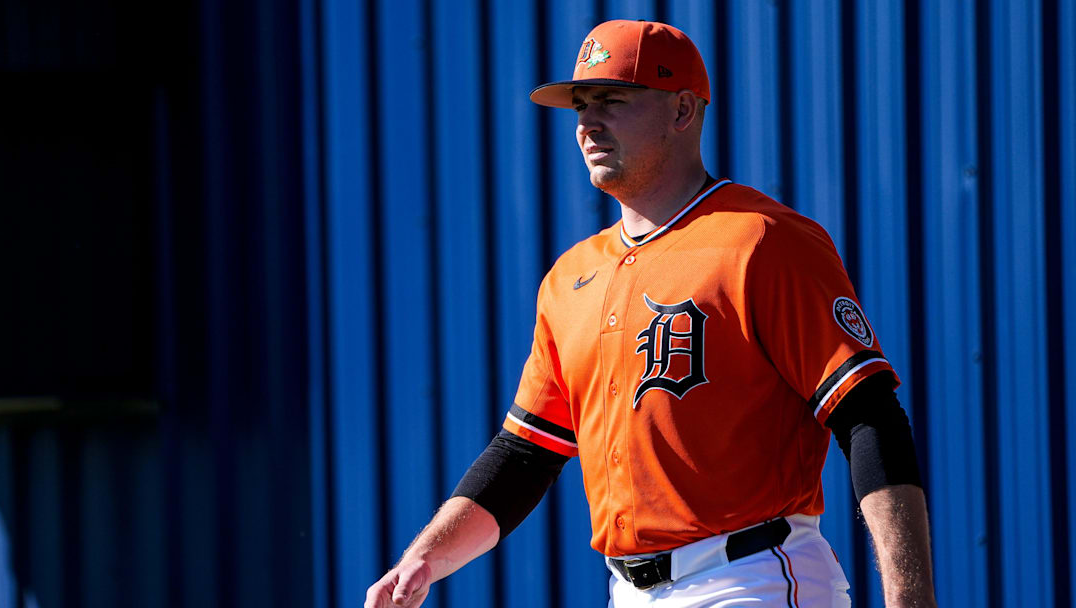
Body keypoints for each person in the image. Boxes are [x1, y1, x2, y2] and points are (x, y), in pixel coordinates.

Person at [365, 19, 936, 608]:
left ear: (682, 110)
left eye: (612, 100)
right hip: (629, 590)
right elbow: (526, 453)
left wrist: (910, 598)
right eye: (581, 105)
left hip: (751, 577)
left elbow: (870, 417)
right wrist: (422, 561)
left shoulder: (762, 241)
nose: (588, 123)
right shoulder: (570, 278)